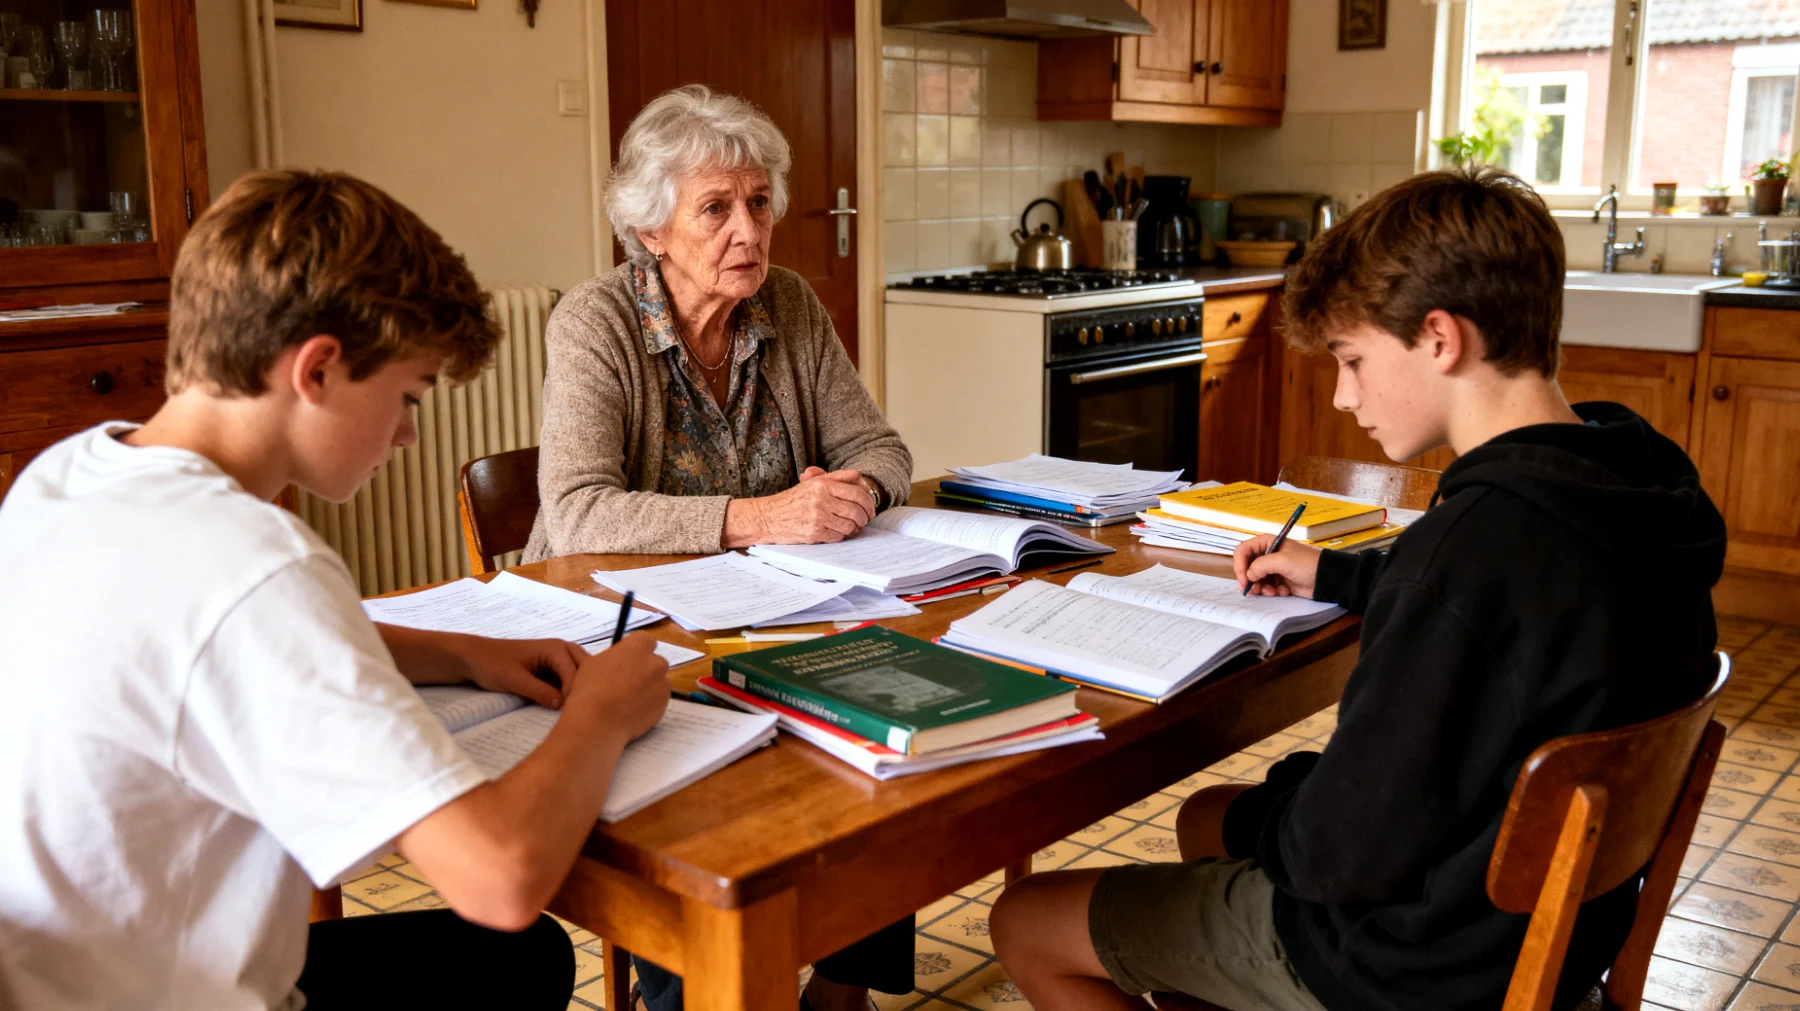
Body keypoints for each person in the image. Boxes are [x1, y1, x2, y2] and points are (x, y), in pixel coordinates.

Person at [988, 166, 1727, 1011]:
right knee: (1208, 817)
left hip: (1413, 962)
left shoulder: (1461, 556)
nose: (1343, 396)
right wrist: (1340, 572)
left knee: (1025, 920)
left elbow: (1335, 853)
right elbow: (1510, 609)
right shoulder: (1635, 487)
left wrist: (1288, 801)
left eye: (1352, 359)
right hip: (1541, 938)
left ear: (1440, 338)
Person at [0, 169, 672, 1010]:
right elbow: (501, 879)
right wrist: (600, 713)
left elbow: (206, 639)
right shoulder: (257, 566)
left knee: (522, 962)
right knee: (517, 938)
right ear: (316, 369)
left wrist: (463, 652)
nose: (407, 433)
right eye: (406, 396)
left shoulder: (67, 473)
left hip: (62, 973)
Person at [523, 84, 911, 561]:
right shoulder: (595, 321)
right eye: (715, 208)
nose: (748, 233)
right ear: (653, 231)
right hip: (609, 591)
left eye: (759, 202)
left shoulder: (789, 300)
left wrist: (855, 495)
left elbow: (879, 449)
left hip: (765, 584)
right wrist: (767, 518)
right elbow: (579, 514)